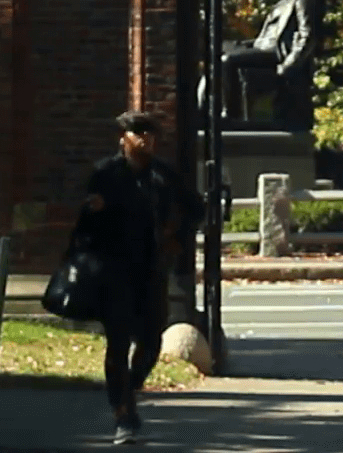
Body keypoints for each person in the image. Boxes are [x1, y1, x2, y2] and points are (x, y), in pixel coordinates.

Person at [77, 110, 204, 445]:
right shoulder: (106, 174)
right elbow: (85, 220)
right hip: (114, 271)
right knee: (118, 342)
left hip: (152, 269)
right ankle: (124, 415)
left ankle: (127, 389)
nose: (145, 140)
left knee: (151, 341)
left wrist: (179, 235)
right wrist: (95, 212)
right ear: (124, 138)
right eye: (138, 134)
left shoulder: (162, 175)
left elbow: (195, 207)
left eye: (149, 134)